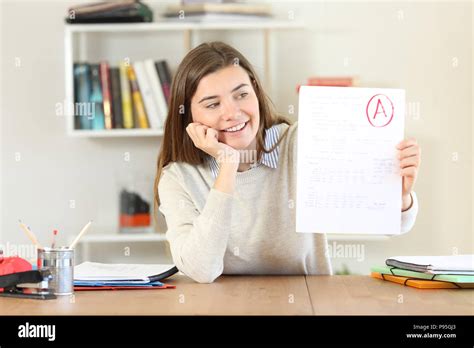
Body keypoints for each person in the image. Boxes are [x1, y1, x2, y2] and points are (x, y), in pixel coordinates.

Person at [154, 41, 420, 283]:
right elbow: (202, 269)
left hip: (307, 302)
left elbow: (394, 227)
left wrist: (398, 197)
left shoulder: (302, 143)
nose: (232, 112)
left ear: (256, 93)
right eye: (212, 104)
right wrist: (227, 166)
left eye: (241, 94)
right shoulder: (178, 178)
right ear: (189, 116)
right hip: (221, 307)